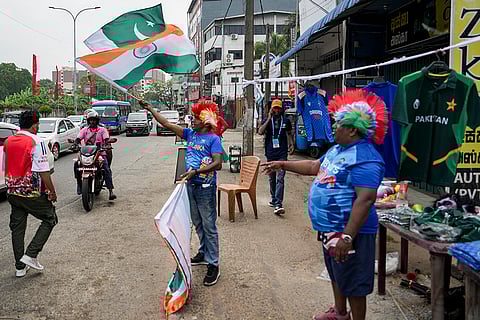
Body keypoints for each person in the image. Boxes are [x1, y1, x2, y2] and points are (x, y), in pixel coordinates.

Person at [262, 90, 387, 320]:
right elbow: (313, 167)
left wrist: (347, 237)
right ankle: (339, 314)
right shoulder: (338, 149)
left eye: (337, 124)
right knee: (337, 273)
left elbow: (365, 199)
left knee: (355, 284)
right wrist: (282, 164)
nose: (333, 127)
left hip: (351, 233)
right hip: (330, 229)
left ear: (352, 129)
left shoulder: (366, 158)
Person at [141, 100, 223, 286]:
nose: (191, 120)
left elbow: (218, 163)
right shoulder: (190, 134)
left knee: (209, 225)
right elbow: (167, 124)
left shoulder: (213, 139)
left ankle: (214, 264)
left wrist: (197, 172)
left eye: (195, 117)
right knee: (198, 223)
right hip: (190, 186)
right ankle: (203, 253)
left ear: (205, 120)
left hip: (205, 188)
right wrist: (151, 109)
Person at [4, 110, 58, 277]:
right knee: (50, 218)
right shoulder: (37, 141)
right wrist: (52, 191)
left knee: (17, 228)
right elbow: (43, 171)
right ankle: (31, 254)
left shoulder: (8, 141)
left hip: (12, 191)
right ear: (35, 125)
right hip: (31, 191)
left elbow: (5, 167)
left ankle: (20, 267)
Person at [258, 99, 294, 215]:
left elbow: (289, 133)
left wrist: (291, 144)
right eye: (274, 108)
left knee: (280, 178)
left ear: (281, 109)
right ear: (271, 109)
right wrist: (269, 118)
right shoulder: (267, 121)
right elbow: (260, 131)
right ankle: (274, 199)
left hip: (282, 154)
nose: (276, 110)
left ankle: (279, 203)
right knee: (272, 178)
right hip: (270, 153)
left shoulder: (286, 121)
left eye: (278, 108)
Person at [74, 110, 116, 200]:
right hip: (86, 154)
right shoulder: (84, 130)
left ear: (97, 121)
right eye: (90, 120)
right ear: (88, 121)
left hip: (100, 153)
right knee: (76, 166)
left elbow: (106, 139)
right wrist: (76, 142)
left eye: (94, 120)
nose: (92, 122)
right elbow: (78, 138)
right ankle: (79, 185)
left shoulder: (102, 130)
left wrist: (107, 143)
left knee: (106, 169)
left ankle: (110, 190)